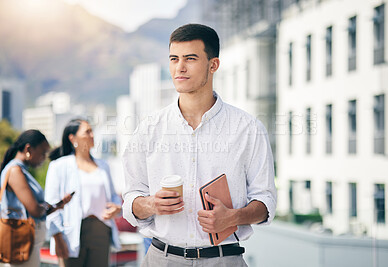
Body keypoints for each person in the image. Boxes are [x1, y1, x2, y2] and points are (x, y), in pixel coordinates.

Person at [122, 24, 277, 266]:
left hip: (224, 260)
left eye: (190, 58)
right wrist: (151, 204)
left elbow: (265, 202)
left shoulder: (248, 129)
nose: (179, 68)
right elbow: (131, 198)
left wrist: (233, 217)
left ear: (213, 65)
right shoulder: (149, 129)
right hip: (161, 259)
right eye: (174, 59)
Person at [45, 119, 121, 267]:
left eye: (92, 131)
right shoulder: (59, 166)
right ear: (72, 138)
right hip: (71, 233)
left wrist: (117, 208)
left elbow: (113, 197)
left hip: (101, 231)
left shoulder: (103, 166)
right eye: (87, 131)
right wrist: (57, 237)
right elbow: (51, 204)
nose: (92, 135)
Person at [0, 130, 72, 267]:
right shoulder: (15, 171)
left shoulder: (20, 170)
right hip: (21, 243)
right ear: (28, 149)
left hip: (25, 242)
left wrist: (56, 205)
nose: (44, 158)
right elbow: (35, 210)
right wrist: (50, 206)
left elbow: (38, 209)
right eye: (43, 153)